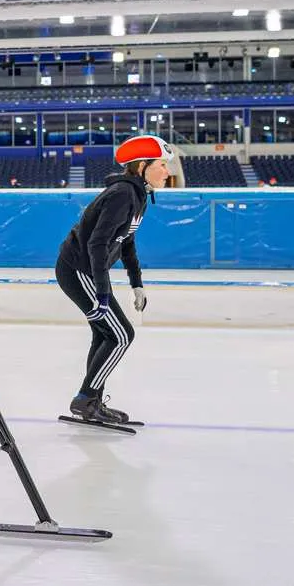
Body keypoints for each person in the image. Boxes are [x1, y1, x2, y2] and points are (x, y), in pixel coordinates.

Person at [55, 134, 175, 424]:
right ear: (142, 165)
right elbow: (97, 243)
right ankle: (85, 399)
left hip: (87, 269)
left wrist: (137, 283)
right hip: (78, 269)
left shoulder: (139, 195)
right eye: (162, 164)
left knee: (106, 333)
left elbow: (126, 242)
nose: (167, 172)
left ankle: (91, 401)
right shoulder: (122, 193)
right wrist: (102, 293)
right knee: (122, 335)